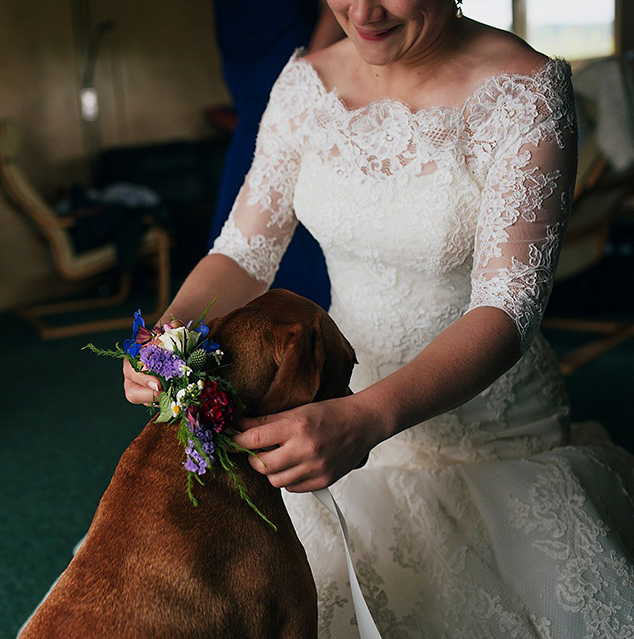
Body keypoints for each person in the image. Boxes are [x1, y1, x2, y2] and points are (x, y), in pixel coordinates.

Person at [124, 0, 634, 636]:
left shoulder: (526, 92)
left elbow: (507, 309)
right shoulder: (305, 84)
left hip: (485, 441)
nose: (362, 10)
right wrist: (173, 332)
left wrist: (367, 419)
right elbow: (242, 252)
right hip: (330, 408)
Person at [209, 0, 345, 307]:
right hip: (245, 75)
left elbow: (335, 10)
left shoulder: (301, 79)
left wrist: (309, 71)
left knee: (297, 237)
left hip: (291, 61)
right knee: (240, 232)